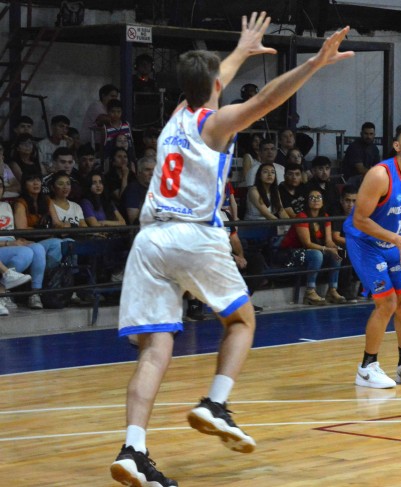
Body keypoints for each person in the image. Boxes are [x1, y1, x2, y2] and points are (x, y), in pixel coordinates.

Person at [109, 14, 353, 487]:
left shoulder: (176, 116)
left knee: (155, 350)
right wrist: (315, 64)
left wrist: (241, 49)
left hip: (149, 240)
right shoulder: (216, 123)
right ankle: (216, 403)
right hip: (192, 236)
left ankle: (133, 450)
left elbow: (210, 79)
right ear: (218, 87)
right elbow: (266, 99)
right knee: (241, 321)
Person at [343, 122, 401, 389]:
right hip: (366, 242)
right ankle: (366, 368)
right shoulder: (380, 175)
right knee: (387, 303)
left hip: (398, 242)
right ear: (397, 145)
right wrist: (396, 238)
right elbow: (360, 220)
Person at [278, 187, 344, 305]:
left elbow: (329, 241)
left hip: (312, 251)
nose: (315, 200)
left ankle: (332, 290)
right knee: (317, 255)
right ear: (307, 201)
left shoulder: (325, 216)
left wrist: (334, 248)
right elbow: (307, 243)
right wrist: (326, 249)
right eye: (312, 197)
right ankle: (310, 292)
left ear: (323, 201)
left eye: (318, 197)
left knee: (336, 255)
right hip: (291, 253)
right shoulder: (302, 216)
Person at [0, 176, 45, 311]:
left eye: (0, 186)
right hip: (3, 245)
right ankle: (3, 290)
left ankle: (35, 293)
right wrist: (8, 244)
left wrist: (20, 240)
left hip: (10, 242)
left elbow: (10, 230)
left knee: (37, 248)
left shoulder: (6, 206)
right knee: (25, 252)